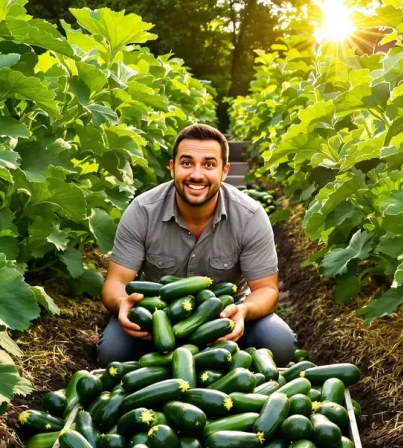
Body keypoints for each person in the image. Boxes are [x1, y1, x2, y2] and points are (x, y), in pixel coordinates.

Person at [98, 123, 297, 366]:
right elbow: (116, 281)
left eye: (209, 164)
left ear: (224, 171)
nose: (197, 174)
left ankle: (186, 361)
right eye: (187, 163)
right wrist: (122, 303)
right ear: (172, 168)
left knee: (280, 344)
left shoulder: (250, 216)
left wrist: (243, 312)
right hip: (158, 316)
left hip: (226, 314)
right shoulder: (142, 211)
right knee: (112, 353)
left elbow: (267, 289)